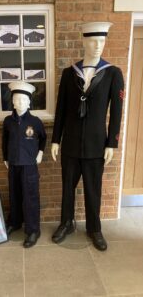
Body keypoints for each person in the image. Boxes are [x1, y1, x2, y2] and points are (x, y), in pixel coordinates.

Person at [51, 22, 124, 251]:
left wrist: (111, 143)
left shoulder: (113, 73)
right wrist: (55, 139)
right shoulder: (69, 73)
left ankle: (94, 228)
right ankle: (66, 223)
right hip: (70, 143)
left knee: (94, 189)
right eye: (92, 40)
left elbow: (117, 112)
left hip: (96, 144)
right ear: (83, 41)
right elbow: (61, 109)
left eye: (102, 41)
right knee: (67, 187)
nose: (97, 46)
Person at [2, 81, 47, 248]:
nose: (20, 102)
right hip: (13, 164)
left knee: (30, 197)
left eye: (23, 100)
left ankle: (33, 229)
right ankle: (15, 222)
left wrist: (41, 152)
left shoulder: (35, 122)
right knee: (14, 194)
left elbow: (43, 138)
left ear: (29, 102)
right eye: (17, 99)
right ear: (12, 101)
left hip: (29, 165)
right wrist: (5, 157)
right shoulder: (8, 121)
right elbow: (4, 140)